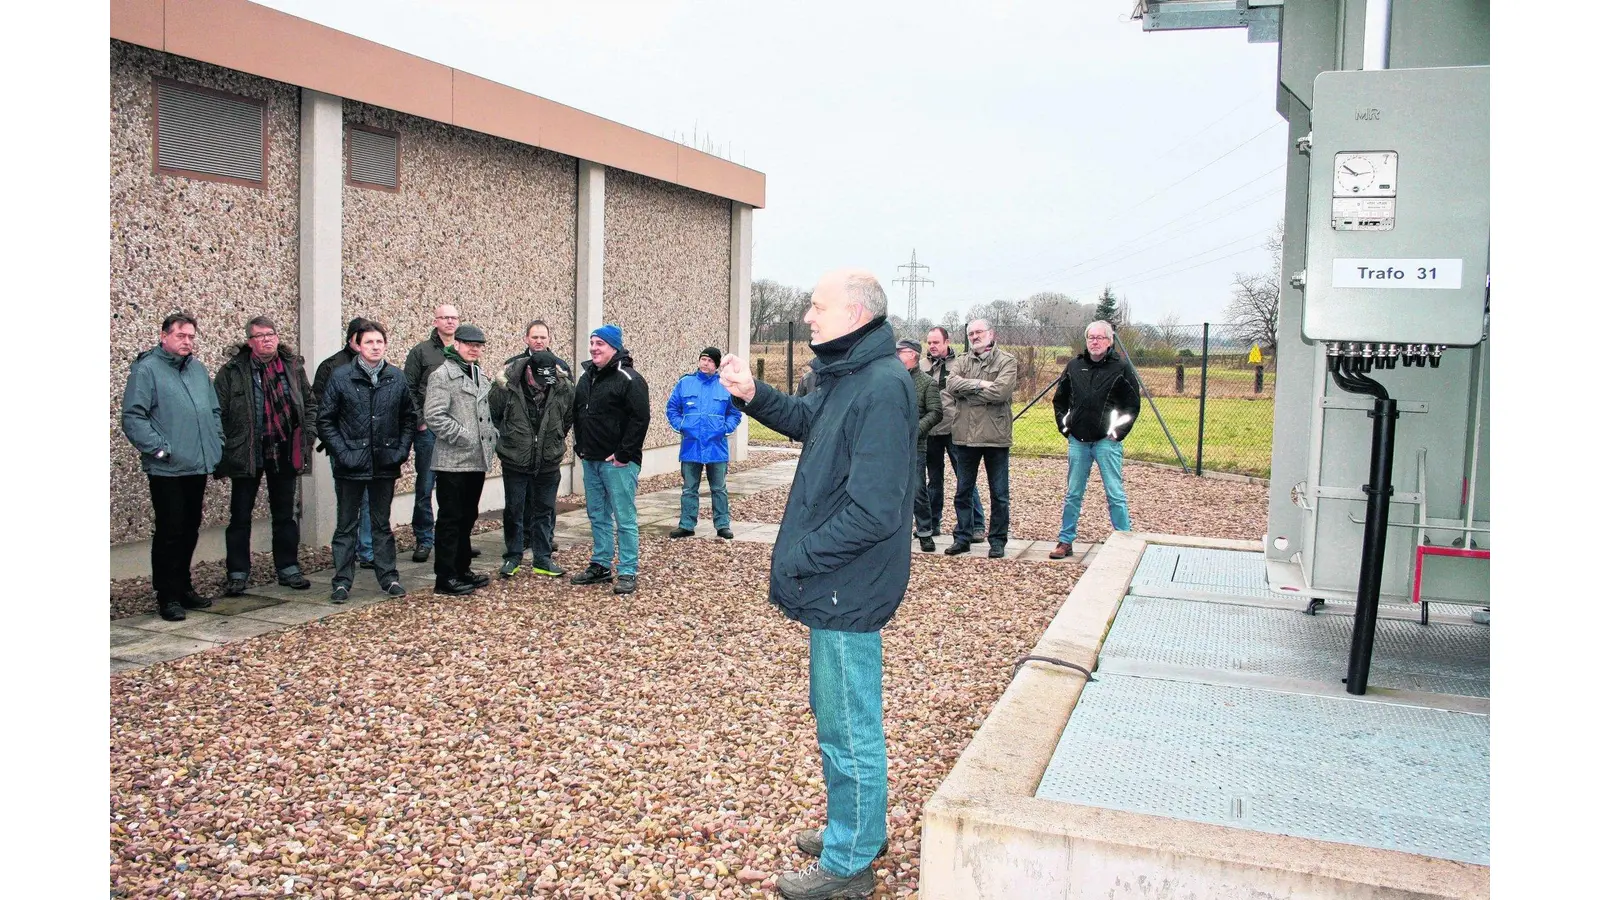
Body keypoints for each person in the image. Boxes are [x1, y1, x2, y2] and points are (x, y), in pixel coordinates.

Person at [719, 269, 914, 900]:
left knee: (847, 723)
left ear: (855, 312)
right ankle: (856, 825)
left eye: (817, 305)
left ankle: (849, 860)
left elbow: (876, 510)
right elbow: (808, 421)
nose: (808, 314)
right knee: (839, 715)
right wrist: (754, 395)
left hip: (847, 584)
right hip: (837, 579)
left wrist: (799, 555)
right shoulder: (849, 374)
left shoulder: (883, 386)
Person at [121, 312, 225, 621]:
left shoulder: (197, 370)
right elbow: (133, 417)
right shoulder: (147, 370)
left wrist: (216, 441)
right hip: (167, 469)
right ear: (164, 336)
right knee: (170, 530)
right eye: (181, 336)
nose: (187, 341)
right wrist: (161, 450)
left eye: (192, 336)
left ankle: (183, 587)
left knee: (190, 528)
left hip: (197, 464)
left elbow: (213, 410)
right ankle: (167, 595)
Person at [213, 316, 317, 596]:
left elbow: (309, 404)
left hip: (284, 449)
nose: (267, 339)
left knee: (284, 514)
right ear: (250, 341)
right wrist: (226, 446)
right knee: (240, 516)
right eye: (260, 336)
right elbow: (218, 412)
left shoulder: (292, 368)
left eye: (271, 334)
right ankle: (237, 572)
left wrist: (307, 437)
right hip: (246, 451)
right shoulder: (233, 370)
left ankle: (288, 568)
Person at [317, 321, 416, 602]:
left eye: (379, 342)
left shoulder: (396, 377)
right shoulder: (341, 377)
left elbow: (408, 418)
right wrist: (343, 452)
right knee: (347, 524)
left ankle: (389, 577)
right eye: (369, 342)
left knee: (381, 524)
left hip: (384, 463)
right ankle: (342, 581)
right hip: (350, 464)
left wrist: (399, 451)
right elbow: (325, 420)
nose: (375, 347)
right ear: (358, 346)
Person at [570, 324, 650, 595]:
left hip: (618, 464)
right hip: (591, 460)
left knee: (624, 517)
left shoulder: (629, 378)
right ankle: (601, 564)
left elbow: (640, 419)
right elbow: (579, 413)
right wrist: (580, 447)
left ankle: (628, 570)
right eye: (592, 342)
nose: (593, 348)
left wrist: (624, 454)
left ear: (614, 347)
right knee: (597, 515)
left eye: (599, 343)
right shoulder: (586, 378)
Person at [1050, 320, 1141, 559]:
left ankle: (1124, 541)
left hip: (1106, 442)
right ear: (1086, 340)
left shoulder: (1121, 367)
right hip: (1078, 441)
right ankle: (1065, 541)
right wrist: (1065, 427)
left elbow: (1132, 405)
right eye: (1091, 337)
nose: (1095, 341)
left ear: (1110, 341)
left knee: (1115, 493)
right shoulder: (1073, 366)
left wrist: (1117, 433)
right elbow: (1059, 400)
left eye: (1100, 337)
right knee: (1073, 493)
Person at [424, 324, 498, 596]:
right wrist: (465, 436)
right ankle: (445, 577)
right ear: (456, 344)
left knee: (468, 517)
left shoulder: (479, 374)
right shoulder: (442, 375)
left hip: (476, 460)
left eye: (478, 345)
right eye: (468, 344)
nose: (474, 349)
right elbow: (434, 415)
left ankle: (462, 568)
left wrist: (492, 435)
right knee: (450, 519)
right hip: (452, 460)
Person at [490, 347, 573, 578]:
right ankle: (513, 556)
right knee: (514, 510)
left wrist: (552, 439)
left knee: (544, 510)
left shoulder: (563, 387)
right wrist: (514, 438)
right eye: (538, 380)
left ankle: (543, 558)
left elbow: (567, 418)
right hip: (515, 460)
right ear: (528, 370)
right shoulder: (505, 387)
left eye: (547, 381)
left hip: (548, 460)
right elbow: (495, 416)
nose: (543, 385)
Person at [940, 318, 1018, 558]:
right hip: (964, 436)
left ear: (991, 334)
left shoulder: (1007, 361)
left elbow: (1001, 392)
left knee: (999, 493)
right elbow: (951, 384)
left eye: (979, 332)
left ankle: (997, 541)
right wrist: (981, 384)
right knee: (963, 491)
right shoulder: (962, 361)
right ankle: (962, 537)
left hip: (995, 436)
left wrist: (969, 392)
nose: (974, 336)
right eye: (971, 333)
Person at [313, 317, 376, 569]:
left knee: (371, 502)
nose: (369, 345)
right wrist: (336, 443)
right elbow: (319, 408)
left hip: (373, 447)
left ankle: (368, 550)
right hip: (344, 447)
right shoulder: (331, 367)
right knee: (348, 503)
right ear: (352, 339)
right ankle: (346, 553)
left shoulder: (378, 367)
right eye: (364, 339)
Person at [403, 304, 462, 563]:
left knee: (455, 488)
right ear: (435, 321)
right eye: (444, 317)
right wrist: (421, 421)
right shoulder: (421, 352)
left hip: (456, 432)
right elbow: (409, 388)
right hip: (429, 431)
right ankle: (425, 539)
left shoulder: (462, 350)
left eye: (453, 318)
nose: (449, 321)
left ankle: (454, 540)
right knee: (425, 486)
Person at [666, 347, 743, 540]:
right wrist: (681, 425)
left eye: (709, 361)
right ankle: (686, 524)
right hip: (691, 445)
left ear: (716, 365)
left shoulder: (725, 386)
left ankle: (722, 525)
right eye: (702, 359)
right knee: (689, 488)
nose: (704, 363)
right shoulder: (685, 383)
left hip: (716, 446)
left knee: (718, 488)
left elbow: (735, 413)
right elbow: (672, 408)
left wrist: (725, 428)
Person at [923, 326, 983, 539]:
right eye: (929, 342)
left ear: (947, 342)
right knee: (934, 479)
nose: (932, 346)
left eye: (936, 342)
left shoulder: (961, 365)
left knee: (965, 479)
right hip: (931, 431)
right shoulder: (922, 366)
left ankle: (976, 525)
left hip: (955, 429)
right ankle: (932, 522)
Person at [897, 339, 942, 553]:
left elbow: (936, 412)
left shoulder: (927, 383)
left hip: (916, 445)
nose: (896, 355)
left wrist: (915, 430)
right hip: (891, 444)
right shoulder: (893, 380)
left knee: (916, 489)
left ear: (913, 354)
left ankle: (925, 532)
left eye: (901, 352)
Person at [504, 318, 573, 378]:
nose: (539, 341)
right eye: (534, 337)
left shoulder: (561, 366)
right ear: (526, 339)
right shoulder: (512, 364)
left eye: (543, 338)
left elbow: (569, 392)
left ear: (549, 339)